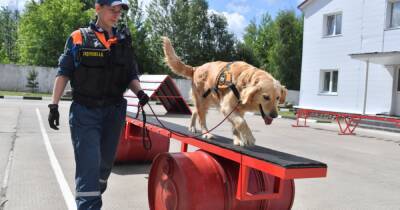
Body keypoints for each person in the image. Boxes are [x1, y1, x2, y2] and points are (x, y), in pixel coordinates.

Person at [47, 0, 149, 209]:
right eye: (112, 10)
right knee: (89, 166)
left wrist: (140, 93)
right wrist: (54, 106)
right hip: (86, 112)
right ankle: (89, 203)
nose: (116, 15)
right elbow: (64, 72)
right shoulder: (79, 38)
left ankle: (94, 192)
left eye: (119, 11)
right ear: (98, 8)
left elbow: (130, 73)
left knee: (104, 167)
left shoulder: (123, 41)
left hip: (114, 113)